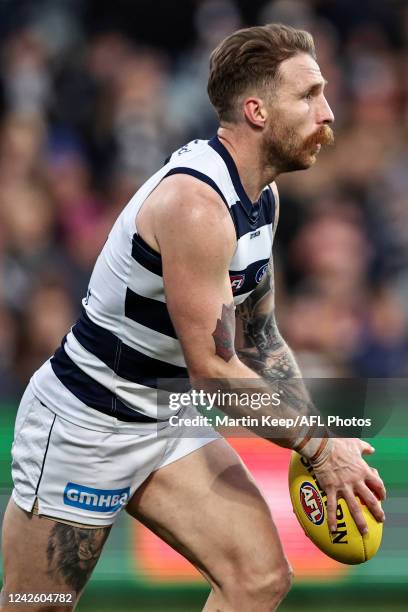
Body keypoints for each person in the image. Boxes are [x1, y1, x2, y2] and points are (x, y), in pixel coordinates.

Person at [1, 24, 385, 612]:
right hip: (86, 423)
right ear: (257, 111)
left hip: (163, 413)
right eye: (307, 95)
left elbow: (259, 339)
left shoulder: (263, 196)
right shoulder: (196, 206)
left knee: (258, 578)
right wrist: (314, 444)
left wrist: (320, 435)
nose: (328, 112)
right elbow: (213, 371)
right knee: (32, 606)